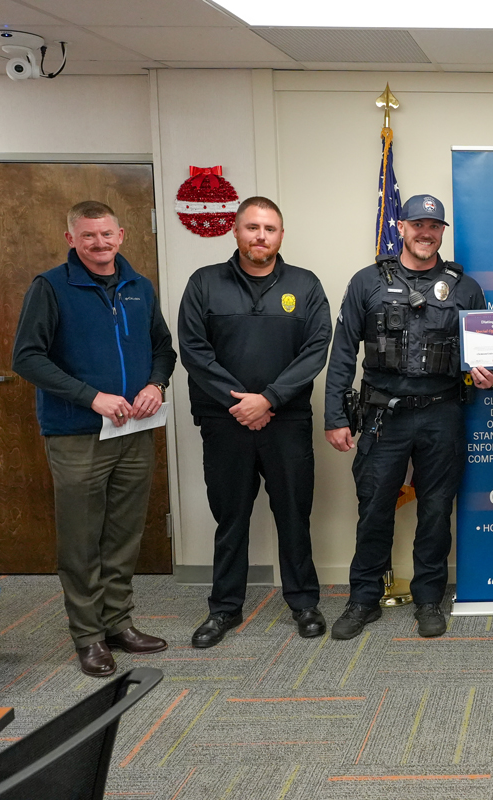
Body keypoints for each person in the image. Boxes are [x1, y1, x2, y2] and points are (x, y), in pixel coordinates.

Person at [12, 201, 176, 677]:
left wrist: (154, 384)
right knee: (82, 539)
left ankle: (118, 624)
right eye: (88, 237)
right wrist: (91, 397)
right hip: (77, 435)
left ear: (121, 235)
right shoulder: (51, 287)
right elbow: (28, 358)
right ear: (72, 239)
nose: (99, 244)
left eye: (106, 235)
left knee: (124, 533)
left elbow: (163, 348)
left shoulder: (139, 287)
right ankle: (87, 636)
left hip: (134, 432)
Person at [324, 194, 493, 640]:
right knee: (374, 508)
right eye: (417, 224)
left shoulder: (465, 287)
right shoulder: (367, 282)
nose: (425, 232)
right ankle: (363, 598)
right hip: (384, 416)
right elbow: (343, 352)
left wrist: (491, 374)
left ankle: (428, 599)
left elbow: (486, 352)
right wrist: (334, 417)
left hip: (442, 413)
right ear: (401, 227)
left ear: (442, 233)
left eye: (434, 226)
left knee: (436, 511)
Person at [178, 197, 332, 648]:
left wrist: (268, 399)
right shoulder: (205, 283)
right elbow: (194, 351)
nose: (260, 236)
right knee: (231, 518)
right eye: (251, 227)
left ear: (281, 235)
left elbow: (316, 349)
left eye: (269, 228)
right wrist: (241, 404)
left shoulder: (305, 285)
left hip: (286, 423)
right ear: (235, 231)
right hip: (224, 423)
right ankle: (224, 609)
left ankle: (304, 603)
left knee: (293, 516)